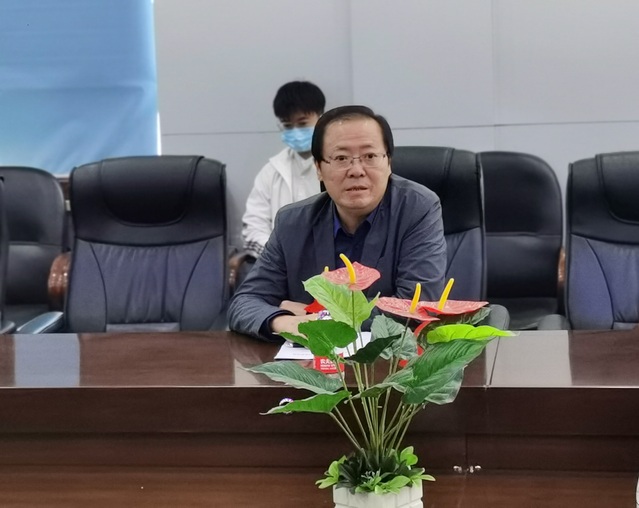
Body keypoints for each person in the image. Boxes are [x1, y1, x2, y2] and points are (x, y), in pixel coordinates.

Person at [228, 105, 447, 341]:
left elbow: (414, 308)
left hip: (391, 360)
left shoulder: (417, 208)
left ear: (388, 163)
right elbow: (244, 303)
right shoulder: (292, 222)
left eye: (370, 156)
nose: (356, 170)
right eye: (341, 158)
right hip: (309, 361)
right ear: (319, 169)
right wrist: (285, 321)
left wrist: (316, 317)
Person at [241, 81, 326, 260]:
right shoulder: (271, 171)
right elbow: (253, 226)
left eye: (302, 124)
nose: (295, 131)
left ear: (322, 118)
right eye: (287, 126)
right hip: (279, 265)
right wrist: (280, 258)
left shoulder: (338, 165)